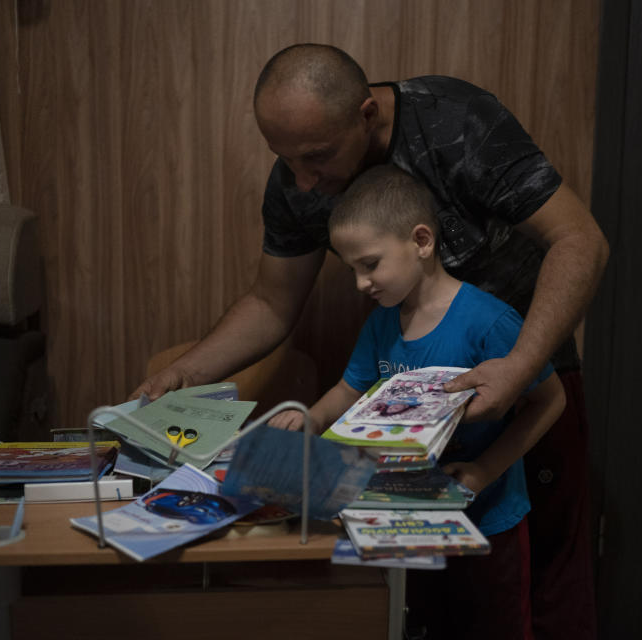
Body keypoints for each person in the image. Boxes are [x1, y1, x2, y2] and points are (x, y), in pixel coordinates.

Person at [132, 43, 607, 638]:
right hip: (420, 443)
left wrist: (519, 366)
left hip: (526, 370)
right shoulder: (300, 180)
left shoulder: (454, 121)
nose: (303, 182)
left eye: (317, 157)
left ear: (366, 115)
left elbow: (580, 241)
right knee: (429, 603)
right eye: (285, 160)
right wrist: (186, 373)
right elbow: (271, 302)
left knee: (543, 582)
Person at [268, 164, 566, 638]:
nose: (361, 284)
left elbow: (551, 401)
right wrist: (309, 418)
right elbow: (350, 390)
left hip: (488, 525)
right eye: (352, 270)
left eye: (370, 265)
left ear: (422, 242)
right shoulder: (382, 323)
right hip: (405, 524)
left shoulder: (489, 322)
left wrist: (487, 469)